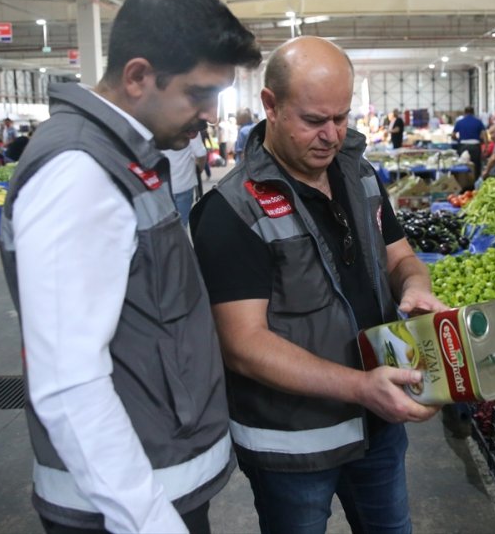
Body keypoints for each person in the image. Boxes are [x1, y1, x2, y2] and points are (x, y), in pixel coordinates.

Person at [0, 0, 261, 534]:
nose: (212, 114)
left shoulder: (125, 159)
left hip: (159, 477)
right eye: (199, 93)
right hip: (126, 508)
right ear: (139, 76)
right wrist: (147, 520)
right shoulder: (79, 173)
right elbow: (69, 381)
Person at [190, 36, 445, 534]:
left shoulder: (360, 176)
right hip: (293, 446)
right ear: (271, 106)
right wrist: (360, 387)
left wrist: (412, 287)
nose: (331, 135)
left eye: (342, 117)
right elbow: (243, 345)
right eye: (313, 120)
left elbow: (401, 258)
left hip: (378, 426)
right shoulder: (231, 211)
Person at [163, 132, 208, 227]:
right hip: (184, 183)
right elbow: (201, 153)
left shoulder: (154, 122)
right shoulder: (190, 125)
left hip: (159, 187)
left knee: (161, 228)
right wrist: (198, 170)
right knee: (181, 226)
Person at [451, 106, 487, 179]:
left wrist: (458, 140)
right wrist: (486, 146)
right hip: (475, 146)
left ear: (465, 112)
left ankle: (463, 181)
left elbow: (453, 135)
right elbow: (484, 135)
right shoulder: (478, 121)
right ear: (473, 112)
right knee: (476, 165)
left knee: (462, 164)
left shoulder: (460, 122)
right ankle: (475, 182)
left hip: (463, 145)